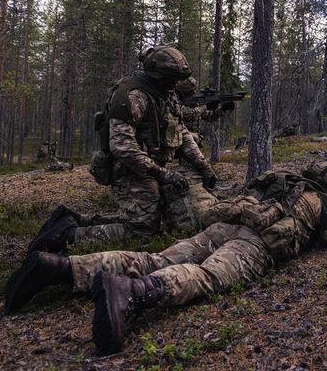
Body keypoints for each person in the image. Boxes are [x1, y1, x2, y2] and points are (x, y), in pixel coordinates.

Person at [4, 162, 327, 355]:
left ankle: (60, 267)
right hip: (254, 243)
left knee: (155, 257)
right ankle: (136, 293)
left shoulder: (277, 177)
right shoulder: (325, 203)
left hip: (220, 226)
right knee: (209, 276)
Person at [28, 46, 219, 253]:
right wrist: (162, 174)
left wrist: (203, 166)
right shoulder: (133, 96)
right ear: (158, 74)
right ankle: (67, 235)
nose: (175, 83)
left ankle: (76, 220)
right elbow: (122, 147)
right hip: (128, 170)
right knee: (141, 232)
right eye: (171, 78)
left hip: (150, 167)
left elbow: (182, 132)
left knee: (148, 219)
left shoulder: (165, 94)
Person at [175, 76, 235, 148]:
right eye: (190, 91)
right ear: (183, 91)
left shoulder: (194, 103)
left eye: (194, 90)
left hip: (193, 140)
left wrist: (223, 109)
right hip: (181, 138)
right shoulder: (176, 101)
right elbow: (187, 113)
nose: (193, 93)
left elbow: (209, 117)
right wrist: (206, 107)